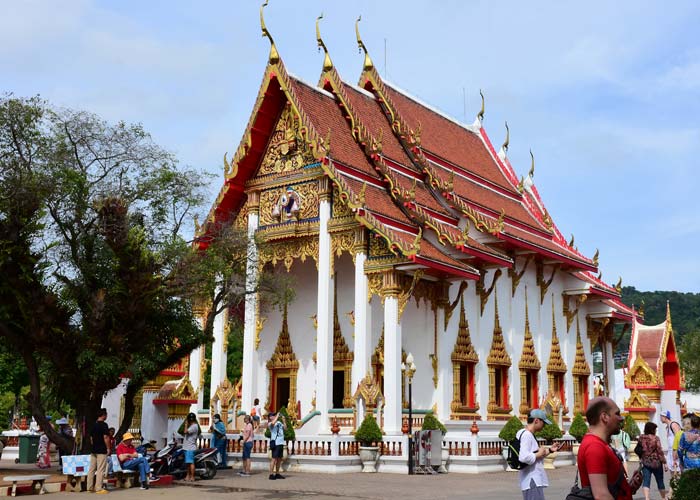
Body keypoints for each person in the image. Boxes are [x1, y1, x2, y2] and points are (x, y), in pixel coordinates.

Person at [577, 397, 632, 500]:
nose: (621, 418)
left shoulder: (601, 444)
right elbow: (601, 495)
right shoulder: (594, 447)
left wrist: (628, 488)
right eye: (617, 414)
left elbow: (610, 488)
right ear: (605, 417)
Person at [516, 409, 561, 500]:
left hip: (531, 479)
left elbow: (535, 454)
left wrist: (550, 450)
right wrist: (538, 454)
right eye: (543, 422)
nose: (544, 426)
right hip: (532, 479)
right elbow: (523, 457)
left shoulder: (522, 433)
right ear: (536, 420)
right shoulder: (527, 435)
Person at [638, 422, 667, 500]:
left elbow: (639, 449)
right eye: (655, 429)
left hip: (645, 462)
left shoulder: (641, 437)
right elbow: (659, 451)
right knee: (660, 481)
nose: (656, 430)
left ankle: (647, 498)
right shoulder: (656, 438)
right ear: (652, 429)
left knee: (646, 481)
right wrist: (664, 462)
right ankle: (663, 498)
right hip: (656, 463)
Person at [87, 408, 111, 494]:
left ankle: (89, 487)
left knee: (92, 469)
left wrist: (94, 445)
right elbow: (106, 437)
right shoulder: (104, 425)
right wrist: (108, 448)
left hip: (94, 449)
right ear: (103, 415)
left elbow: (91, 438)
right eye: (106, 415)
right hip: (101, 450)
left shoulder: (94, 425)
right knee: (100, 469)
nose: (106, 416)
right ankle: (98, 488)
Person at [659, 410, 682, 475]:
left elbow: (679, 438)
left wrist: (677, 452)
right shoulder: (667, 427)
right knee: (672, 474)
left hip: (675, 451)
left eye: (661, 416)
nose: (660, 418)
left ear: (665, 417)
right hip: (670, 452)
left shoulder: (673, 425)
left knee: (677, 473)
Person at [268, 411, 286, 480]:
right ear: (270, 417)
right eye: (273, 415)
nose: (275, 416)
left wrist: (284, 421)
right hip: (275, 443)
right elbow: (273, 423)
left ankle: (277, 473)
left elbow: (285, 429)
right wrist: (277, 416)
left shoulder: (279, 423)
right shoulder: (270, 424)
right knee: (273, 459)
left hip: (281, 443)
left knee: (279, 459)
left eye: (275, 415)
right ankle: (271, 474)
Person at [182, 413, 200, 482]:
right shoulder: (192, 426)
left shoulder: (194, 426)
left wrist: (186, 425)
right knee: (188, 463)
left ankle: (192, 477)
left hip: (190, 447)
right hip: (187, 447)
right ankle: (188, 476)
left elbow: (185, 431)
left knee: (191, 463)